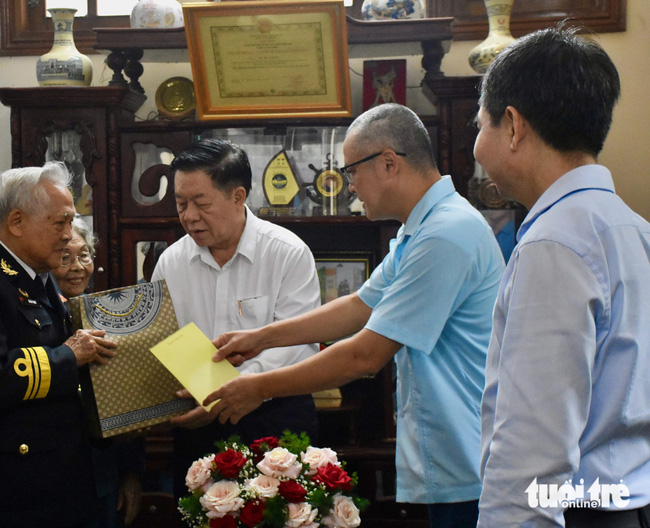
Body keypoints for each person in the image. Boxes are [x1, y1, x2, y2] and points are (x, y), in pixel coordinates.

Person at [205, 104, 506, 528]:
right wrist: (261, 337)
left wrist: (259, 387)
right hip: (456, 450)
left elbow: (364, 356)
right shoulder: (420, 228)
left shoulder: (445, 234)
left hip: (470, 454)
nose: (349, 187)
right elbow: (358, 307)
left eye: (351, 173)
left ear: (388, 163)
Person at [472, 26, 650, 527]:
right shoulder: (632, 228)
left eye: (479, 125)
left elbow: (532, 447)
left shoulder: (554, 243)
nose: (477, 146)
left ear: (512, 126)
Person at [0, 162, 117, 528]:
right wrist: (68, 356)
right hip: (4, 493)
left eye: (70, 221)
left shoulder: (38, 276)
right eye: (59, 222)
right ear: (16, 222)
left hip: (55, 483)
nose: (68, 235)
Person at [149, 138, 322, 501]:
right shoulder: (171, 262)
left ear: (238, 196)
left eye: (201, 203)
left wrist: (234, 389)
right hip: (199, 421)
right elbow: (162, 341)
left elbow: (297, 344)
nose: (189, 216)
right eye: (181, 204)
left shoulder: (287, 253)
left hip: (276, 414)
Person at [51, 217, 144, 528]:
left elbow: (126, 399)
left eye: (84, 255)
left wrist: (130, 471)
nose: (77, 267)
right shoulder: (37, 315)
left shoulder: (106, 313)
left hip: (103, 469)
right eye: (65, 258)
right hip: (54, 478)